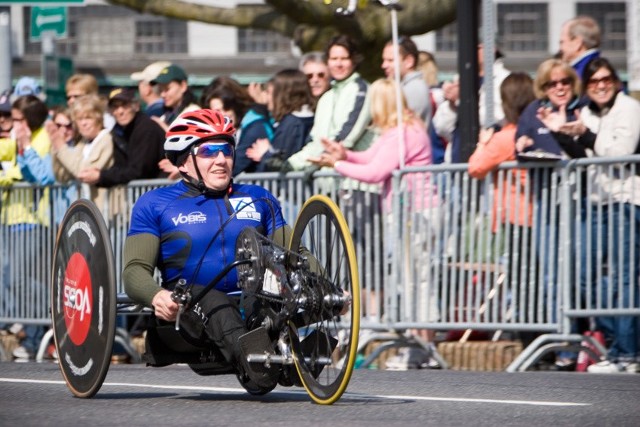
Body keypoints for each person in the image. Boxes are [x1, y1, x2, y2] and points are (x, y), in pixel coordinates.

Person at [122, 108, 291, 390]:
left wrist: (328, 291)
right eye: (209, 151)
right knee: (216, 303)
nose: (221, 159)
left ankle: (289, 355)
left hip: (252, 295)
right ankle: (260, 364)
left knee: (276, 297)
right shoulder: (155, 204)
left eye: (226, 149)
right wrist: (155, 295)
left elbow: (294, 255)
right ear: (184, 161)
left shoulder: (259, 198)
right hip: (188, 307)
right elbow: (134, 270)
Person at [309, 78, 440, 369]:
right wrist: (346, 155)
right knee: (410, 280)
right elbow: (372, 157)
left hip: (415, 213)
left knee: (416, 280)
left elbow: (376, 171)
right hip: (409, 212)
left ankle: (424, 346)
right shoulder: (400, 131)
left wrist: (338, 165)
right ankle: (419, 345)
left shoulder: (404, 132)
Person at [542, 58, 640, 373]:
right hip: (595, 201)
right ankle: (614, 348)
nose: (600, 85)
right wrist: (559, 133)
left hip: (625, 199)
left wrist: (584, 133)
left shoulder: (629, 109)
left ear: (616, 81)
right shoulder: (584, 112)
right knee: (590, 278)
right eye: (594, 80)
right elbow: (583, 156)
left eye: (606, 79)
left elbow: (620, 152)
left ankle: (626, 354)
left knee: (624, 279)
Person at [468, 72, 536, 310]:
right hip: (537, 216)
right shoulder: (534, 132)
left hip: (517, 217)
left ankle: (526, 327)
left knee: (522, 279)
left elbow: (475, 167)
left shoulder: (505, 137)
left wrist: (483, 142)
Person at [1, 95, 55, 360]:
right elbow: (8, 162)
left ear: (30, 120)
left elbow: (42, 176)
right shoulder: (22, 138)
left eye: (18, 119)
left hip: (33, 221)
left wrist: (24, 146)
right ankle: (37, 334)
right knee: (14, 282)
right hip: (12, 220)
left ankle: (54, 313)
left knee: (20, 280)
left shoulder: (41, 138)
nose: (13, 124)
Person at [284, 34, 372, 173]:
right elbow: (317, 142)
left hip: (354, 181)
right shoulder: (327, 97)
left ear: (354, 61)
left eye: (344, 58)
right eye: (334, 59)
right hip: (328, 180)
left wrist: (315, 164)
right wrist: (292, 163)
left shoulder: (361, 90)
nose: (338, 64)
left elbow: (346, 138)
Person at [433, 43, 510, 163]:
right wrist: (451, 104)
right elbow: (441, 128)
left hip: (487, 164)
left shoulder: (504, 79)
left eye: (477, 47)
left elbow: (496, 118)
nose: (470, 51)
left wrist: (459, 101)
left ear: (492, 48)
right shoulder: (460, 79)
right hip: (456, 164)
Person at [77, 87, 166, 187]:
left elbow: (139, 171)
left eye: (125, 105)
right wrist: (100, 175)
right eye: (115, 107)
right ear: (110, 111)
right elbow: (120, 167)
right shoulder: (117, 132)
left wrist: (101, 176)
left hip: (160, 193)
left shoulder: (147, 129)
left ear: (135, 106)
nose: (120, 111)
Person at [51, 94, 114, 211]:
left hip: (104, 212)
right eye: (80, 119)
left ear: (99, 119)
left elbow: (83, 173)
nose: (84, 123)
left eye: (88, 118)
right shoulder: (82, 143)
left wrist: (61, 148)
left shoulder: (106, 139)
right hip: (85, 214)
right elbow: (62, 176)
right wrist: (55, 146)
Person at [200, 76, 273, 176]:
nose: (224, 115)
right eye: (217, 112)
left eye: (227, 108)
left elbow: (235, 164)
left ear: (236, 105)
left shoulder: (255, 126)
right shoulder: (237, 128)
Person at [246, 69, 315, 172]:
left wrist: (266, 154)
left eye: (269, 93)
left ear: (283, 95)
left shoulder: (291, 124)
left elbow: (280, 165)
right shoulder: (306, 119)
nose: (267, 98)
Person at [380, 36, 431, 128]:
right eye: (384, 60)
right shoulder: (403, 86)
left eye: (390, 60)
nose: (384, 65)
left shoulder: (414, 89)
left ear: (409, 61)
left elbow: (400, 126)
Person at [151, 64, 200, 130]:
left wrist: (162, 127)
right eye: (160, 90)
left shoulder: (194, 113)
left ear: (183, 86)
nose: (162, 94)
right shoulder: (166, 115)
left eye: (167, 89)